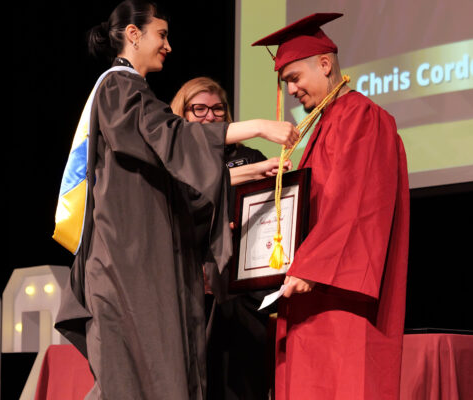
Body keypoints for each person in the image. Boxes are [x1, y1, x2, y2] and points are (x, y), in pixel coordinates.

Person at [53, 2, 299, 399]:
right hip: (126, 263)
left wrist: (248, 173)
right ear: (134, 35)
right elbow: (172, 136)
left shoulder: (130, 90)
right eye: (161, 34)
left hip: (136, 260)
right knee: (138, 377)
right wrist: (256, 126)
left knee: (150, 375)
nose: (168, 45)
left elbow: (170, 188)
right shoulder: (118, 86)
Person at [252, 13, 411, 400]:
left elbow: (358, 204)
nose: (290, 90)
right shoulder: (323, 125)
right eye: (285, 82)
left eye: (294, 78)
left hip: (341, 296)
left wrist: (312, 264)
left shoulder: (364, 118)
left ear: (325, 65)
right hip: (310, 293)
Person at [171, 77, 290, 400]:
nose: (210, 116)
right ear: (181, 114)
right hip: (193, 283)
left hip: (243, 284)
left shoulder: (250, 157)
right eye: (199, 109)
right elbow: (194, 191)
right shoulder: (174, 158)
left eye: (217, 109)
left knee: (243, 378)